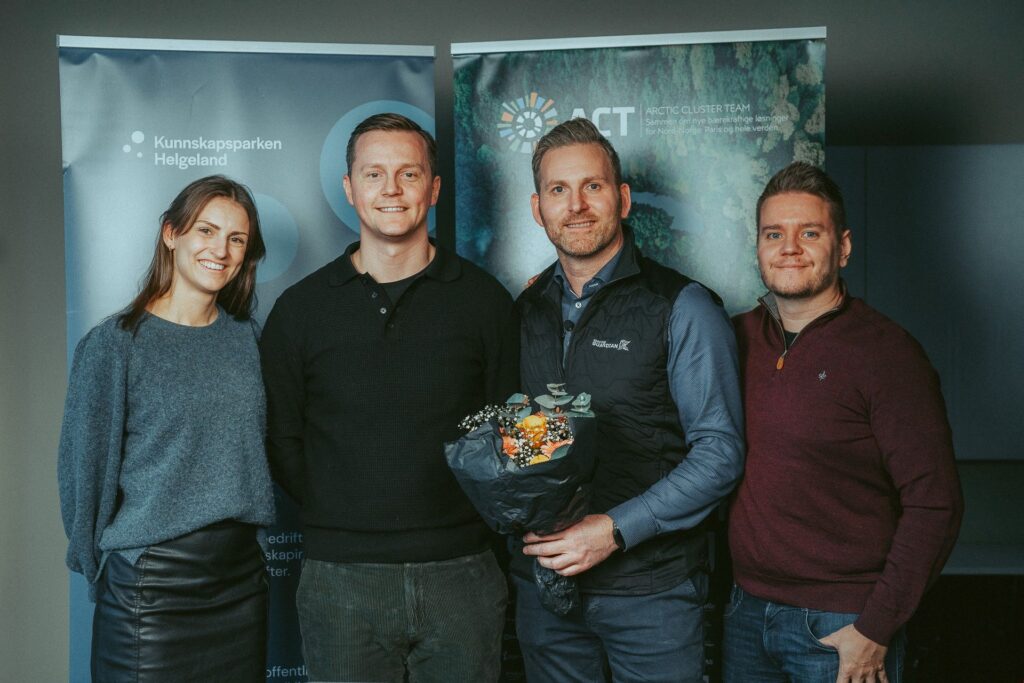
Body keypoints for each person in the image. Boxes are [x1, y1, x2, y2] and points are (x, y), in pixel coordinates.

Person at [259, 113, 518, 682]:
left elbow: (509, 432)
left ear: (434, 188)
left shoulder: (485, 303)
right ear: (350, 189)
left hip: (463, 573)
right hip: (340, 576)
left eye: (408, 173)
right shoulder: (300, 311)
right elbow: (283, 440)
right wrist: (347, 511)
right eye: (374, 174)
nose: (392, 190)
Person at [513, 117, 745, 683]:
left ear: (621, 198)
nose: (576, 205)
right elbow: (518, 431)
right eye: (558, 190)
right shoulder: (522, 309)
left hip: (652, 593)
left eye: (592, 186)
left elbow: (720, 455)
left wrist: (614, 529)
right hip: (545, 594)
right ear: (537, 208)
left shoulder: (682, 306)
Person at [725, 162, 964, 683]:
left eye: (810, 232)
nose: (789, 246)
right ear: (759, 247)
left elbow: (936, 502)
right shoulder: (735, 339)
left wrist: (876, 629)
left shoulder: (888, 355)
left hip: (842, 623)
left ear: (844, 247)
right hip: (744, 613)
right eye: (774, 234)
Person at [58, 175, 276, 682]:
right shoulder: (116, 345)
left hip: (240, 584)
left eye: (236, 239)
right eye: (206, 230)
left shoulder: (247, 340)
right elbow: (82, 474)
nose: (220, 250)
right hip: (150, 590)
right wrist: (106, 569)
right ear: (171, 233)